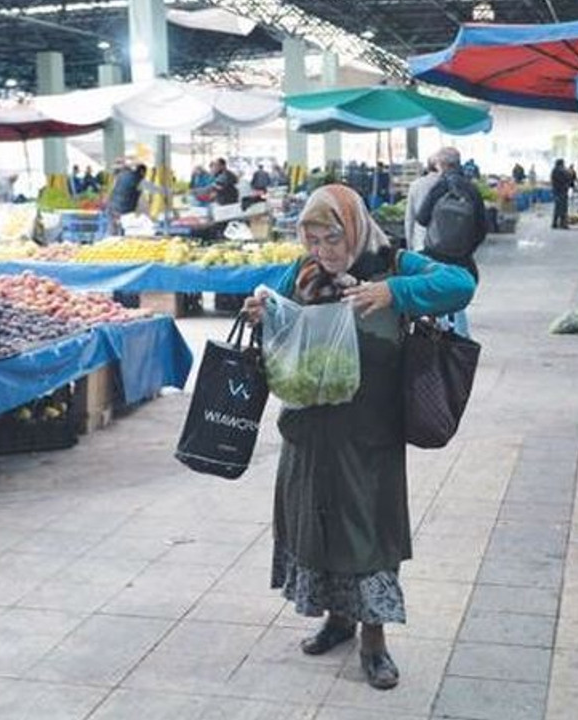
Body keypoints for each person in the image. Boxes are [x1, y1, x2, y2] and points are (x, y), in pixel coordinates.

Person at [240, 184, 475, 692]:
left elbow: (461, 283)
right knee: (317, 523)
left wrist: (394, 292)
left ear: (355, 228)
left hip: (370, 431)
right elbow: (276, 305)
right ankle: (337, 620)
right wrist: (261, 310)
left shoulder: (394, 262)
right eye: (313, 240)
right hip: (309, 427)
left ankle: (374, 639)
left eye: (332, 238)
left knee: (369, 529)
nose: (323, 252)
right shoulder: (303, 271)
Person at [416, 147, 486, 282]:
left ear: (441, 165)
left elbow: (422, 219)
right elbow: (482, 227)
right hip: (463, 259)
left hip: (435, 256)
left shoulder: (439, 187)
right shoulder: (471, 189)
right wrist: (467, 248)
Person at [404, 157, 440, 251]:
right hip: (443, 241)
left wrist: (409, 241)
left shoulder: (416, 185)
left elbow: (409, 217)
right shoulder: (447, 184)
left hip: (420, 239)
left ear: (427, 168)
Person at [550, 159, 572, 230]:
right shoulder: (561, 171)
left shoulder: (554, 170)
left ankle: (554, 223)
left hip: (556, 191)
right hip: (562, 191)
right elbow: (568, 177)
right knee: (563, 208)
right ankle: (563, 224)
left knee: (557, 208)